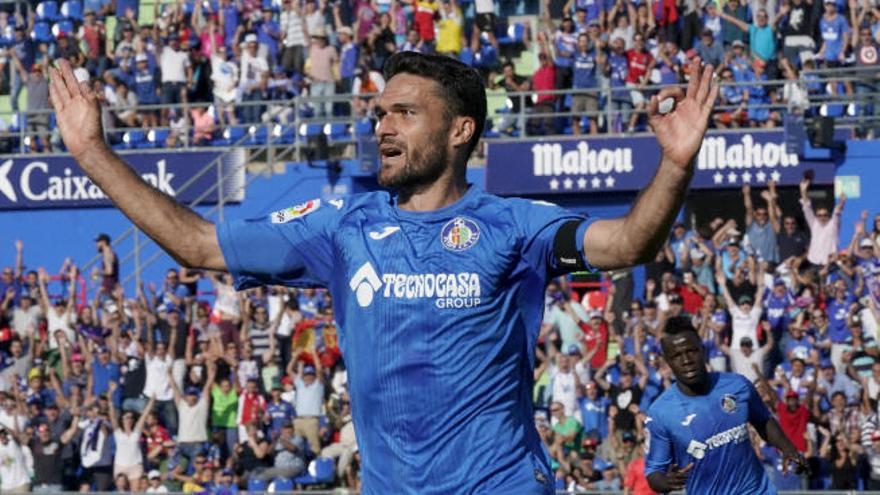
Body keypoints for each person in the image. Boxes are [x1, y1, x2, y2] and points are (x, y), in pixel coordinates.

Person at [49, 52, 719, 494]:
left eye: (404, 112)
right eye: (379, 113)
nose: (382, 125)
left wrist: (677, 164)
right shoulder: (343, 226)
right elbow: (198, 244)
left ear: (460, 130)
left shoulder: (516, 226)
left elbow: (629, 242)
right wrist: (91, 151)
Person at [644, 317, 806, 493]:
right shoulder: (660, 413)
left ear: (703, 349)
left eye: (691, 351)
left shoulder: (738, 385)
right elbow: (654, 472)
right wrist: (665, 482)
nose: (686, 360)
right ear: (667, 361)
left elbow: (763, 420)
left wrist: (788, 448)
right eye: (676, 356)